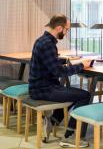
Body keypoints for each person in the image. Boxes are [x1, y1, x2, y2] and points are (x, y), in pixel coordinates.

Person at [29, 14, 91, 148]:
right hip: (43, 89)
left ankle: (53, 120)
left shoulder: (42, 40)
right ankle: (69, 137)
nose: (66, 32)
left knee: (73, 93)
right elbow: (58, 72)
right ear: (59, 28)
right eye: (67, 30)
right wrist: (81, 66)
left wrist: (65, 60)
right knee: (84, 95)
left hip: (39, 86)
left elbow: (48, 62)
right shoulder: (48, 44)